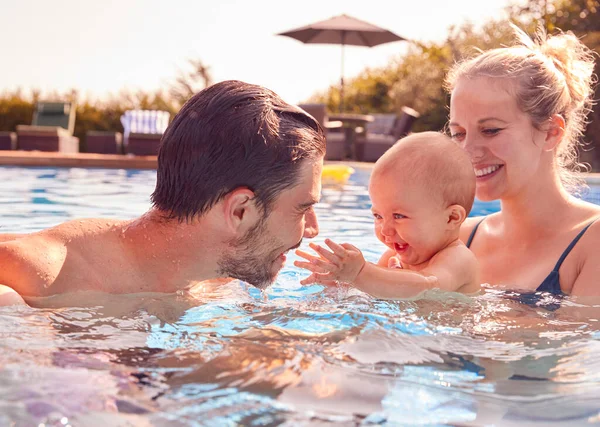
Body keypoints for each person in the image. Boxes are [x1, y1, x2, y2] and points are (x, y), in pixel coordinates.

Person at [0, 80, 326, 306]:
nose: (313, 229)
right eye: (302, 208)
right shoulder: (30, 280)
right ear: (240, 210)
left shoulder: (216, 283)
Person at [445, 25, 600, 297]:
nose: (467, 151)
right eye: (459, 134)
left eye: (491, 130)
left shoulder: (592, 241)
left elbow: (572, 338)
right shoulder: (455, 238)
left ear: (552, 132)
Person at [295, 132, 480, 299]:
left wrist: (360, 273)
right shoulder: (392, 257)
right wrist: (340, 285)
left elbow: (427, 286)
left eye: (399, 216)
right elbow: (372, 294)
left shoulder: (458, 259)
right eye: (378, 216)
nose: (385, 229)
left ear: (451, 218)